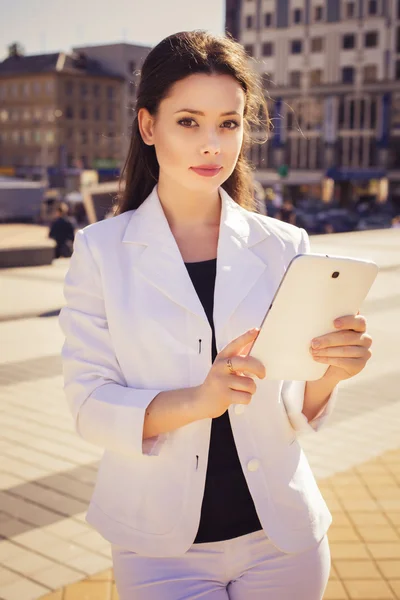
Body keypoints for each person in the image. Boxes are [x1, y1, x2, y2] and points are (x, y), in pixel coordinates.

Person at [59, 31, 373, 600]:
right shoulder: (101, 250)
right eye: (189, 122)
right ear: (148, 126)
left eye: (228, 123)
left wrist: (329, 373)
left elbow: (291, 408)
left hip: (283, 539)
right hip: (159, 547)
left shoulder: (285, 245)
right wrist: (197, 401)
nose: (212, 144)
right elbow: (89, 405)